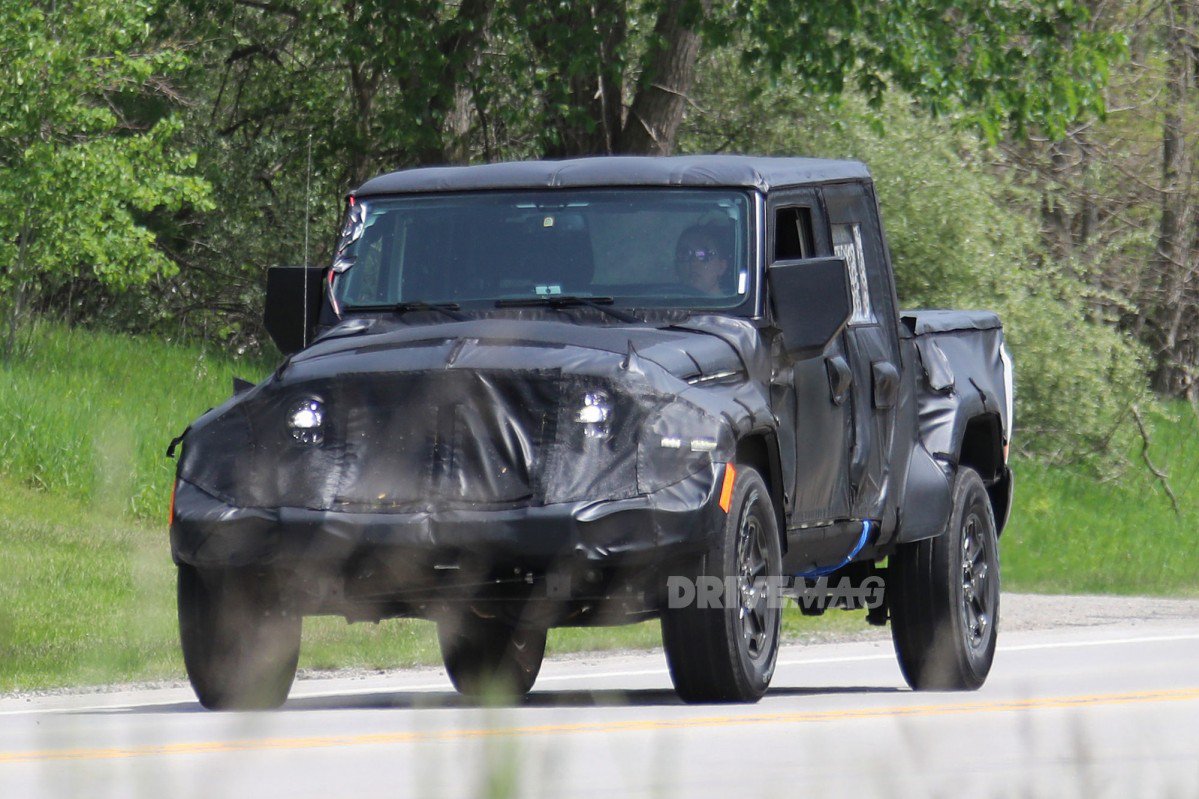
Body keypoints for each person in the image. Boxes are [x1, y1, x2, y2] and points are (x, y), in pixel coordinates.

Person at [674, 223, 732, 295]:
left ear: (721, 266)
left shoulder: (738, 304)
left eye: (704, 254)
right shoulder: (666, 304)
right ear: (676, 266)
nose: (693, 262)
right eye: (685, 254)